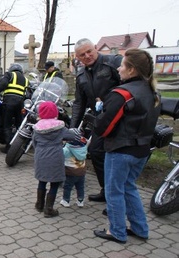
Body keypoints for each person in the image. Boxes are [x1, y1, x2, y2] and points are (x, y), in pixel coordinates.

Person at [93, 48, 160, 244]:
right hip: (142, 150)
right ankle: (140, 229)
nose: (119, 68)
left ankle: (117, 232)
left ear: (131, 70)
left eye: (122, 65)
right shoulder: (152, 91)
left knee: (114, 192)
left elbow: (104, 128)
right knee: (129, 187)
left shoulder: (122, 93)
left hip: (121, 150)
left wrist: (96, 117)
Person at [70, 38, 122, 204]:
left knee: (117, 156)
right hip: (99, 119)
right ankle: (106, 190)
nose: (87, 56)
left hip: (120, 117)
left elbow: (128, 86)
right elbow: (79, 103)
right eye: (82, 55)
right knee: (97, 152)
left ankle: (117, 195)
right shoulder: (81, 74)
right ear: (77, 57)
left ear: (96, 48)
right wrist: (72, 129)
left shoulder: (113, 63)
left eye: (89, 51)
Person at [33, 101, 80, 218]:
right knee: (54, 183)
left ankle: (39, 204)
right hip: (55, 158)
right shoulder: (60, 127)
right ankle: (48, 209)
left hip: (40, 157)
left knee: (42, 181)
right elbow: (72, 136)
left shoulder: (37, 128)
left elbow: (34, 143)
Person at [0, 63, 28, 153]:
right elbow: (28, 93)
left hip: (9, 103)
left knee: (7, 125)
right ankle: (19, 146)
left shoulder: (10, 75)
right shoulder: (25, 79)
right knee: (19, 125)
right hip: (20, 104)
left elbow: (2, 85)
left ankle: (8, 147)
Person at [60, 139, 88, 208]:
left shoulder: (66, 149)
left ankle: (66, 201)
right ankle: (80, 201)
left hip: (70, 173)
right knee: (80, 187)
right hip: (81, 172)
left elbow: (60, 156)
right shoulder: (83, 148)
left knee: (67, 187)